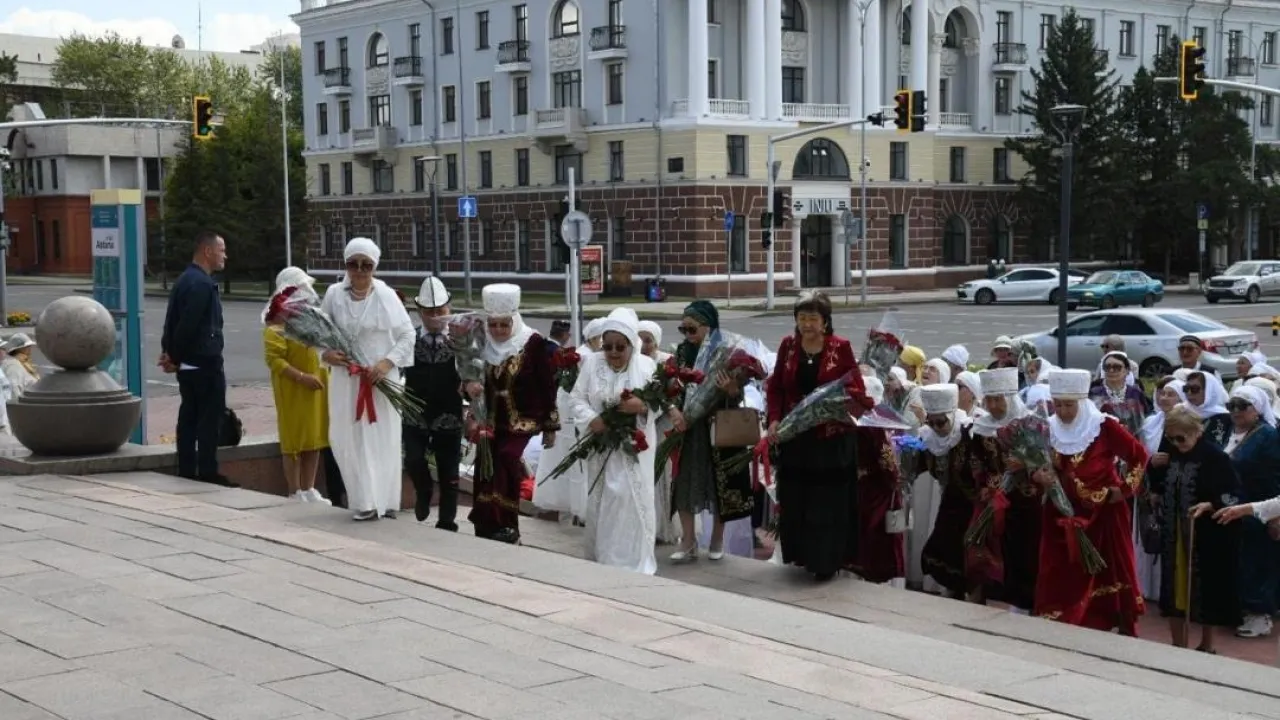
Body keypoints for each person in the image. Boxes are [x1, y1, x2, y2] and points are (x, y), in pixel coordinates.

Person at [1032, 369, 1147, 635]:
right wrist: (1037, 476)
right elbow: (1037, 465)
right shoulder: (1046, 428)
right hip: (1060, 514)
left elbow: (1139, 457)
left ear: (1081, 402)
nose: (1062, 410)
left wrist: (1125, 489)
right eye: (1058, 404)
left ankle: (1105, 618)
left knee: (1109, 568)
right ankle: (1061, 619)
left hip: (1103, 513)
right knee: (1060, 568)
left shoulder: (1103, 426)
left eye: (1069, 405)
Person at [765, 291, 865, 580]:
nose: (807, 324)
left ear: (825, 321)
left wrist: (835, 403)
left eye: (813, 318)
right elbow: (777, 388)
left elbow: (856, 388)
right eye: (802, 318)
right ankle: (802, 555)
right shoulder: (788, 347)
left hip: (830, 441)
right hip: (796, 437)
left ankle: (826, 561)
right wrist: (774, 420)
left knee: (826, 502)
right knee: (798, 498)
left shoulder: (840, 347)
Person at [320, 237, 416, 521]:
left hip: (381, 381)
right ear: (346, 265)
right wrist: (326, 354)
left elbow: (408, 334)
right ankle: (362, 500)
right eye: (353, 264)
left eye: (366, 265)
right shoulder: (334, 295)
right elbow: (319, 333)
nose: (360, 270)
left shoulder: (386, 296)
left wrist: (387, 363)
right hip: (346, 380)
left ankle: (383, 500)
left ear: (374, 266)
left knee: (381, 438)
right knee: (348, 437)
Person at [466, 283, 559, 544]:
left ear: (514, 321)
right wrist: (468, 388)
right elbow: (469, 380)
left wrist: (551, 425)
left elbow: (546, 385)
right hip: (491, 420)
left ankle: (507, 523)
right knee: (486, 465)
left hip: (523, 420)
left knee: (507, 458)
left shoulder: (533, 343)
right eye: (493, 324)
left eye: (504, 325)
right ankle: (486, 524)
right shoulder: (480, 344)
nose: (498, 331)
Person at [567, 307, 659, 574]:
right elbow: (576, 399)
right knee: (607, 499)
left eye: (620, 347)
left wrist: (642, 407)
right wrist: (592, 419)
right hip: (603, 448)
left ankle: (635, 558)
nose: (614, 353)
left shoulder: (646, 366)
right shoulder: (592, 364)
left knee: (630, 499)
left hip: (636, 448)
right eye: (608, 347)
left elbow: (661, 402)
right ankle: (606, 557)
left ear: (632, 345)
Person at [667, 300, 754, 562]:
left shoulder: (726, 352)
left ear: (709, 327)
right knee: (685, 483)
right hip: (688, 429)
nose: (687, 335)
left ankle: (717, 539)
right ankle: (688, 542)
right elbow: (667, 386)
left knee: (721, 486)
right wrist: (674, 410)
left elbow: (738, 394)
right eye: (683, 329)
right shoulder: (681, 353)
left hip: (720, 429)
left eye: (692, 329)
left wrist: (731, 391)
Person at [1151, 405, 1241, 652]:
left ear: (1197, 432)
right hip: (1174, 531)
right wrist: (1154, 479)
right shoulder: (1171, 453)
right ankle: (1177, 642)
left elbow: (1233, 494)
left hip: (1205, 534)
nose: (1176, 442)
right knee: (1173, 585)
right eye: (1171, 437)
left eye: (1182, 437)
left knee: (1204, 588)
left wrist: (1211, 504)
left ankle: (1206, 644)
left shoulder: (1215, 457)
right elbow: (1159, 483)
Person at [159, 231, 232, 486]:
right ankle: (208, 471)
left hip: (188, 365)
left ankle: (188, 469)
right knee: (208, 419)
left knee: (189, 416)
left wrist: (169, 353)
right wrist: (174, 357)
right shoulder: (201, 284)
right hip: (204, 363)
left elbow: (171, 321)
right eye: (222, 250)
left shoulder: (185, 279)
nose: (225, 255)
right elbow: (187, 325)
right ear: (208, 251)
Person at [969, 367, 1036, 612]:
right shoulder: (981, 428)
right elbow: (977, 463)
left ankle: (1027, 601)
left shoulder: (1028, 424)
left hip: (1025, 499)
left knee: (1025, 549)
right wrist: (986, 485)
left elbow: (1045, 461)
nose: (995, 406)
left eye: (999, 399)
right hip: (995, 499)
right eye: (990, 400)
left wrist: (1025, 464)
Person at [263, 267, 331, 503]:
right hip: (293, 389)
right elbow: (275, 361)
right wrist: (302, 377)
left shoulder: (310, 320)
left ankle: (309, 487)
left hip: (317, 386)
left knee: (314, 438)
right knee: (294, 440)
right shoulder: (276, 326)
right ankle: (294, 490)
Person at [402, 276, 464, 528]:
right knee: (413, 459)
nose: (436, 317)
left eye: (441, 311)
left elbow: (474, 372)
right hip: (415, 411)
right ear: (419, 312)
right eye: (430, 312)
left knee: (449, 472)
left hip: (448, 411)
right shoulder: (409, 338)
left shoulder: (461, 341)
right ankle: (424, 489)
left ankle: (447, 521)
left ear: (450, 309)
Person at [1220, 384, 1280, 639]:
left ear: (1257, 409)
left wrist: (1275, 515)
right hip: (1231, 510)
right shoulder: (1229, 433)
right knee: (1239, 561)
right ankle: (1240, 610)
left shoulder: (1266, 436)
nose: (1236, 411)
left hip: (1258, 510)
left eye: (1243, 406)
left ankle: (1260, 615)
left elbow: (1276, 477)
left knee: (1258, 562)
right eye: (1231, 406)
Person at [918, 384, 975, 599]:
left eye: (940, 422)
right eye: (930, 422)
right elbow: (917, 468)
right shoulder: (928, 437)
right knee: (945, 550)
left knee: (970, 554)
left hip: (973, 503)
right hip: (950, 501)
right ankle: (953, 592)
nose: (935, 427)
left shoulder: (969, 433)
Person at [851, 376, 906, 586]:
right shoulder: (874, 423)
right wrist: (895, 477)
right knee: (876, 534)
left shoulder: (852, 419)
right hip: (876, 488)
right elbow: (886, 459)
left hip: (857, 483)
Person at [1137, 378, 1186, 601]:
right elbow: (1139, 452)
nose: (1164, 397)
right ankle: (1146, 587)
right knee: (1149, 534)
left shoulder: (1186, 424)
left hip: (1174, 489)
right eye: (1162, 393)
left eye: (1171, 393)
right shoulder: (1150, 422)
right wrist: (1149, 462)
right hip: (1148, 486)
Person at [638, 319, 678, 544]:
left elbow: (673, 392)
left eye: (648, 340)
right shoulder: (633, 362)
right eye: (640, 339)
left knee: (663, 473)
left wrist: (663, 403)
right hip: (642, 423)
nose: (644, 344)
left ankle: (664, 528)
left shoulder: (665, 362)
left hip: (663, 424)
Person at [1183, 371, 1232, 448]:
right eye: (1186, 388)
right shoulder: (1180, 411)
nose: (1189, 393)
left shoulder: (1224, 416)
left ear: (1209, 390)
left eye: (1194, 389)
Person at [1, 334, 39, 399]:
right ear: (19, 349)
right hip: (25, 404)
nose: (30, 348)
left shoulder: (24, 363)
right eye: (27, 346)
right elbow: (14, 387)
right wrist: (18, 406)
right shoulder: (13, 364)